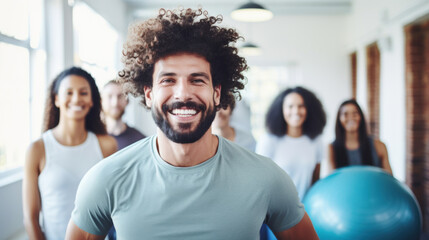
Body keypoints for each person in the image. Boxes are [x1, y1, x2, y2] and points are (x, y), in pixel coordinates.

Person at [65, 8, 319, 240]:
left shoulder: (267, 178)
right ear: (149, 93)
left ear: (217, 94)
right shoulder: (105, 180)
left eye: (197, 80)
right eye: (168, 80)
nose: (183, 94)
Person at [22, 67, 117, 240]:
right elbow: (31, 217)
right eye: (69, 92)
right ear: (57, 99)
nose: (76, 98)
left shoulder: (107, 145)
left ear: (91, 101)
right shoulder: (37, 150)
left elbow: (115, 206)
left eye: (83, 93)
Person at [256, 87, 326, 201]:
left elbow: (315, 181)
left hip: (306, 210)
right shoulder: (268, 140)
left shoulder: (316, 141)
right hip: (277, 211)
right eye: (290, 106)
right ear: (281, 110)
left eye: (301, 106)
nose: (296, 111)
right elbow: (261, 182)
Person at [326, 99, 392, 174]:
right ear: (339, 119)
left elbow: (389, 178)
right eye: (345, 114)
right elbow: (332, 179)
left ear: (361, 117)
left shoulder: (379, 146)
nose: (351, 118)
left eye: (355, 113)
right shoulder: (331, 148)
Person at [102, 80, 145, 150]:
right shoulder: (92, 138)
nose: (115, 103)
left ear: (127, 101)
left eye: (120, 96)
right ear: (101, 101)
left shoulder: (140, 142)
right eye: (109, 96)